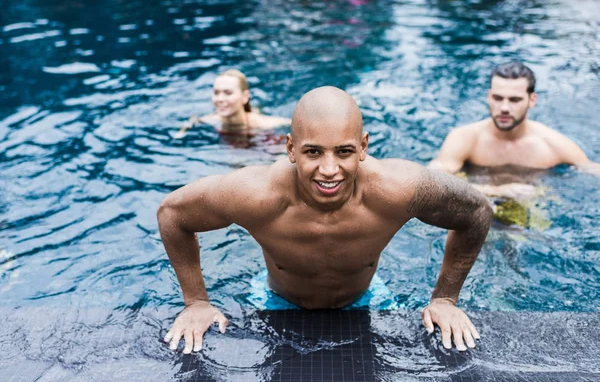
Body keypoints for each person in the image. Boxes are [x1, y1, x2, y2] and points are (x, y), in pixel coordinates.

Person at [158, 86, 492, 354]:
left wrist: (445, 299)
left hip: (366, 299)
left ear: (363, 147)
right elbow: (172, 214)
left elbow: (477, 211)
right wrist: (197, 302)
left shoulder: (400, 189)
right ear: (291, 149)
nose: (329, 170)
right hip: (276, 301)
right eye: (313, 152)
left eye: (344, 152)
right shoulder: (253, 194)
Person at [429, 61, 600, 199]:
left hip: (529, 206)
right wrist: (496, 191)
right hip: (476, 205)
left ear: (532, 100)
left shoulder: (552, 144)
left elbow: (592, 170)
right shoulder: (465, 138)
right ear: (489, 97)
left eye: (514, 100)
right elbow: (433, 180)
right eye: (497, 98)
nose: (504, 107)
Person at [174, 69, 290, 139]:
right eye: (216, 93)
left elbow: (291, 123)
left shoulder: (264, 123)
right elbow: (193, 121)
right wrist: (181, 132)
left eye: (228, 93)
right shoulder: (211, 120)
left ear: (244, 97)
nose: (220, 99)